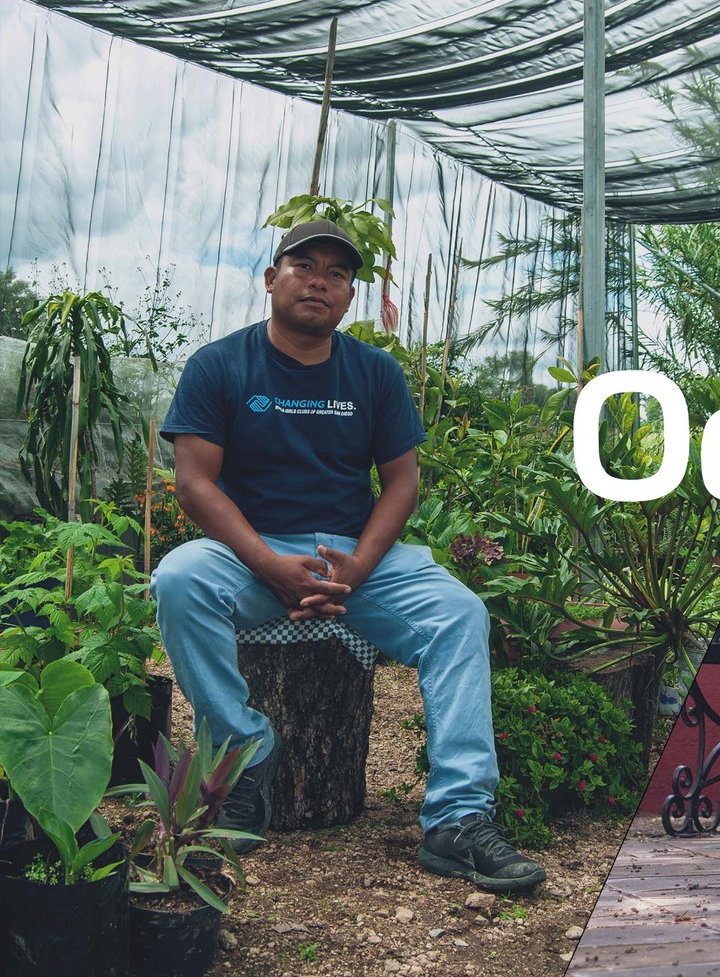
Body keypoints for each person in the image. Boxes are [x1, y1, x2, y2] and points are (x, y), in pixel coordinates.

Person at [151, 219, 547, 892]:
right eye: (305, 265)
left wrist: (359, 566)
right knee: (180, 578)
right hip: (252, 552)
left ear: (348, 296)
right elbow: (195, 484)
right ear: (273, 278)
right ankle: (245, 753)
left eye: (338, 273)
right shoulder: (220, 365)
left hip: (354, 557)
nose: (320, 281)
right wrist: (268, 564)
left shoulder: (373, 372)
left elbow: (403, 481)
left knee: (458, 612)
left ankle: (459, 819)